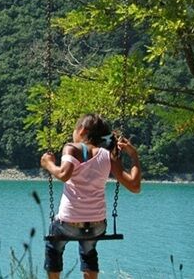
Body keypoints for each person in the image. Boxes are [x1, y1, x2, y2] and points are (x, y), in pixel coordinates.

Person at [40, 113, 142, 279]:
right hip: (97, 226)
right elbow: (135, 186)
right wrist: (134, 155)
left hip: (68, 224)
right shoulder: (109, 153)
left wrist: (48, 163)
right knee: (88, 250)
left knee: (53, 245)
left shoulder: (72, 148)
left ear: (81, 130)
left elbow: (64, 174)